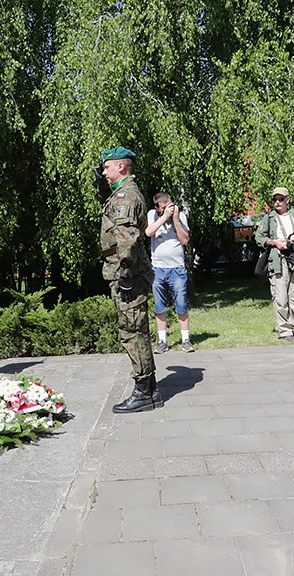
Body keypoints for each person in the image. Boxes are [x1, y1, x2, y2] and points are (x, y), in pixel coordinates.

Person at [99, 147, 161, 413]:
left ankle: (143, 392)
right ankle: (151, 388)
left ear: (121, 167)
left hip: (129, 275)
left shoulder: (126, 196)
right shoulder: (122, 193)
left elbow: (128, 238)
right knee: (137, 329)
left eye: (107, 167)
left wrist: (125, 272)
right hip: (131, 273)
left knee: (132, 332)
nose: (104, 172)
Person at [254, 186, 294, 341]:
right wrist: (274, 242)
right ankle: (284, 331)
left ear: (287, 199)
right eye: (275, 199)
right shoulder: (269, 218)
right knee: (281, 298)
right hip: (279, 261)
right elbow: (259, 238)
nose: (277, 202)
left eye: (280, 199)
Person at [146, 192, 194, 353]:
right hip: (158, 268)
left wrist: (175, 219)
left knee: (181, 305)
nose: (169, 209)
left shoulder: (180, 216)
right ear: (157, 208)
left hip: (177, 268)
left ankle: (186, 340)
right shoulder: (153, 215)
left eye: (170, 205)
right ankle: (162, 341)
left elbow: (185, 240)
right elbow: (149, 232)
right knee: (160, 306)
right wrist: (164, 217)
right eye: (165, 207)